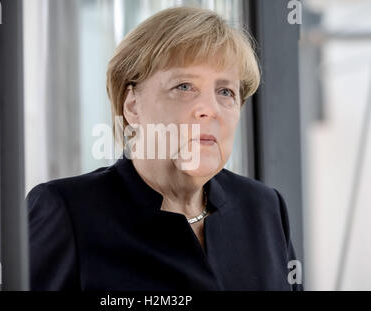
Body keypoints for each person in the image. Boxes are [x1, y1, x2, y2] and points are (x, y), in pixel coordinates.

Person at [27, 7, 303, 291]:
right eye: (184, 86)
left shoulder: (264, 208)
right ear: (132, 106)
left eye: (225, 92)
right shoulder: (67, 211)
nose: (210, 109)